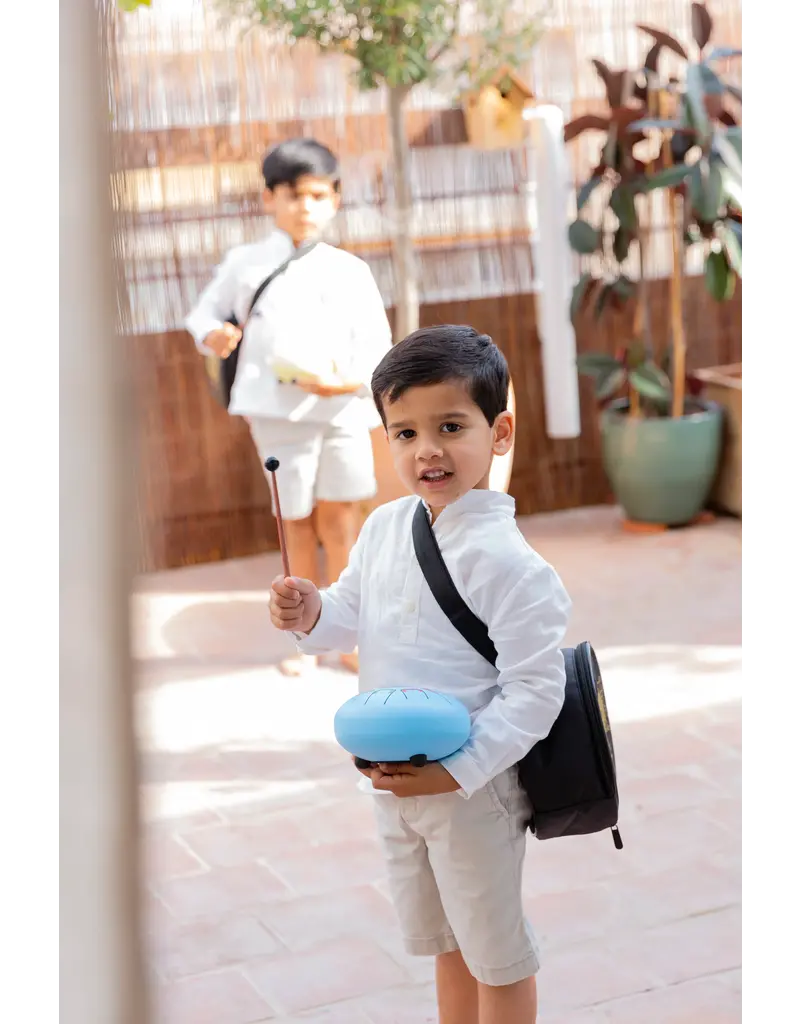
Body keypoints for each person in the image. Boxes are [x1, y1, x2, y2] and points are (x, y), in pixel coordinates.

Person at [269, 325, 572, 1024]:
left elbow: (536, 690)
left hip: (474, 790)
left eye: (449, 425)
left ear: (499, 433)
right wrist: (310, 608)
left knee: (496, 953)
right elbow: (351, 613)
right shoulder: (384, 527)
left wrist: (460, 768)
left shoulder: (513, 565)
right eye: (403, 433)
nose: (426, 448)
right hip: (396, 786)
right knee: (446, 944)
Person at [185, 137, 392, 675]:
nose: (307, 207)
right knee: (294, 523)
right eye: (295, 195)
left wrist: (346, 381)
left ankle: (347, 633)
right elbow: (203, 314)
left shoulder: (350, 270)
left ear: (336, 199)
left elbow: (377, 345)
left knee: (343, 521)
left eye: (319, 195)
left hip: (344, 410)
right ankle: (305, 636)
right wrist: (215, 335)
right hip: (278, 417)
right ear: (268, 199)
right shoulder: (246, 262)